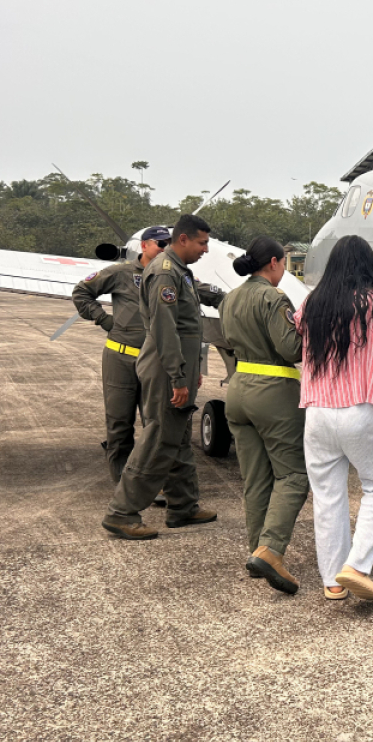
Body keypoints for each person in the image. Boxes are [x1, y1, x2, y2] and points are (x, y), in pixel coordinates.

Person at [296, 235, 373, 602]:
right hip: (363, 408)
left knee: (328, 495)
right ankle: (357, 566)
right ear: (368, 264)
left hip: (317, 412)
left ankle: (332, 581)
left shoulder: (312, 302)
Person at [101, 214, 224, 540]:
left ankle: (183, 506)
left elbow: (186, 329)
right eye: (202, 243)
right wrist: (177, 378)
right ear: (182, 239)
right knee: (158, 439)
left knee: (178, 436)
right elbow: (164, 329)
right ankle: (122, 512)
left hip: (178, 368)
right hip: (165, 370)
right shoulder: (165, 273)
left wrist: (190, 371)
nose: (205, 249)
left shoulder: (181, 273)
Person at [219, 236, 308, 594]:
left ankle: (257, 551)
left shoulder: (230, 298)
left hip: (238, 388)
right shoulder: (273, 298)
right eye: (284, 262)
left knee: (256, 478)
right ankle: (271, 550)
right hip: (272, 391)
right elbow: (291, 349)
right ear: (273, 262)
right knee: (294, 475)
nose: (284, 269)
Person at [72, 226, 171, 481]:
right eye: (160, 244)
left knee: (155, 425)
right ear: (145, 245)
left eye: (169, 244)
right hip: (120, 358)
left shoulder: (171, 277)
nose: (165, 249)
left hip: (155, 360)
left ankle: (150, 484)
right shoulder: (120, 272)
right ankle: (122, 485)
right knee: (119, 425)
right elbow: (82, 292)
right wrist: (103, 320)